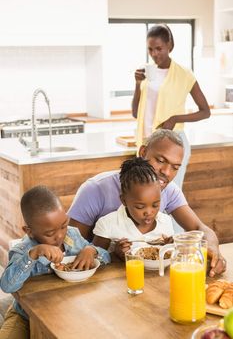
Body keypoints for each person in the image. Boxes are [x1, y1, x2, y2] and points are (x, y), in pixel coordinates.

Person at [68, 129, 226, 277]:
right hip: (100, 278)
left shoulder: (170, 191)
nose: (167, 172)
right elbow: (70, 245)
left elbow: (199, 228)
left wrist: (213, 250)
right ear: (143, 152)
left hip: (148, 276)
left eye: (175, 167)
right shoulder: (95, 189)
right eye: (160, 160)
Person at [0, 185, 110, 339]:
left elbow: (106, 257)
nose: (60, 236)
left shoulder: (73, 236)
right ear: (29, 231)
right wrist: (33, 254)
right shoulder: (23, 251)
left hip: (69, 311)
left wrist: (91, 251)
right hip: (25, 315)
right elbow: (7, 285)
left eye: (63, 225)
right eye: (50, 233)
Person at [131, 23, 210, 190]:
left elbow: (205, 111)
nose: (154, 54)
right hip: (147, 144)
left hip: (173, 144)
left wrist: (175, 118)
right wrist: (138, 84)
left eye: (159, 48)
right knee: (146, 196)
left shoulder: (184, 74)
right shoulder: (145, 73)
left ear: (170, 46)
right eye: (150, 49)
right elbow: (136, 113)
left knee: (170, 197)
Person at [93, 157, 174, 260]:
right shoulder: (107, 224)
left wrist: (170, 247)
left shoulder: (165, 222)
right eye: (140, 207)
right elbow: (95, 260)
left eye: (155, 205)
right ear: (124, 200)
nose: (149, 212)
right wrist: (115, 255)